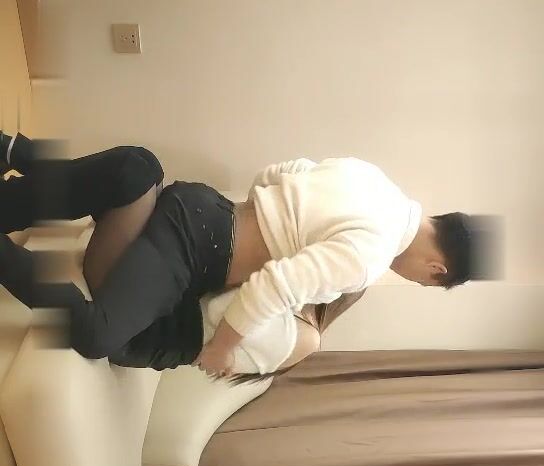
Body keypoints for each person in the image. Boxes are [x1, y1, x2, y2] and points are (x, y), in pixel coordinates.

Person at [0, 133, 498, 378]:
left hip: (207, 206)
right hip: (198, 248)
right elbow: (275, 287)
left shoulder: (374, 179)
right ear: (438, 270)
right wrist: (221, 351)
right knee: (97, 335)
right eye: (424, 282)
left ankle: (14, 155)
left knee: (134, 172)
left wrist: (261, 218)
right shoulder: (372, 254)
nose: (413, 279)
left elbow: (281, 171)